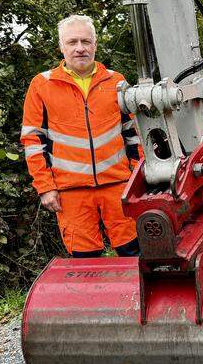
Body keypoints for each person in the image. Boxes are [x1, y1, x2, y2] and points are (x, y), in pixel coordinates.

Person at [21, 14, 140, 258]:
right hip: (71, 192)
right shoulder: (42, 84)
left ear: (95, 45)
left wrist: (138, 177)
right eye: (72, 42)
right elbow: (33, 141)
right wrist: (45, 187)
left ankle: (134, 298)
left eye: (86, 41)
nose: (80, 48)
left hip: (119, 187)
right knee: (85, 262)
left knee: (134, 254)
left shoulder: (117, 82)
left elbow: (134, 134)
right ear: (61, 47)